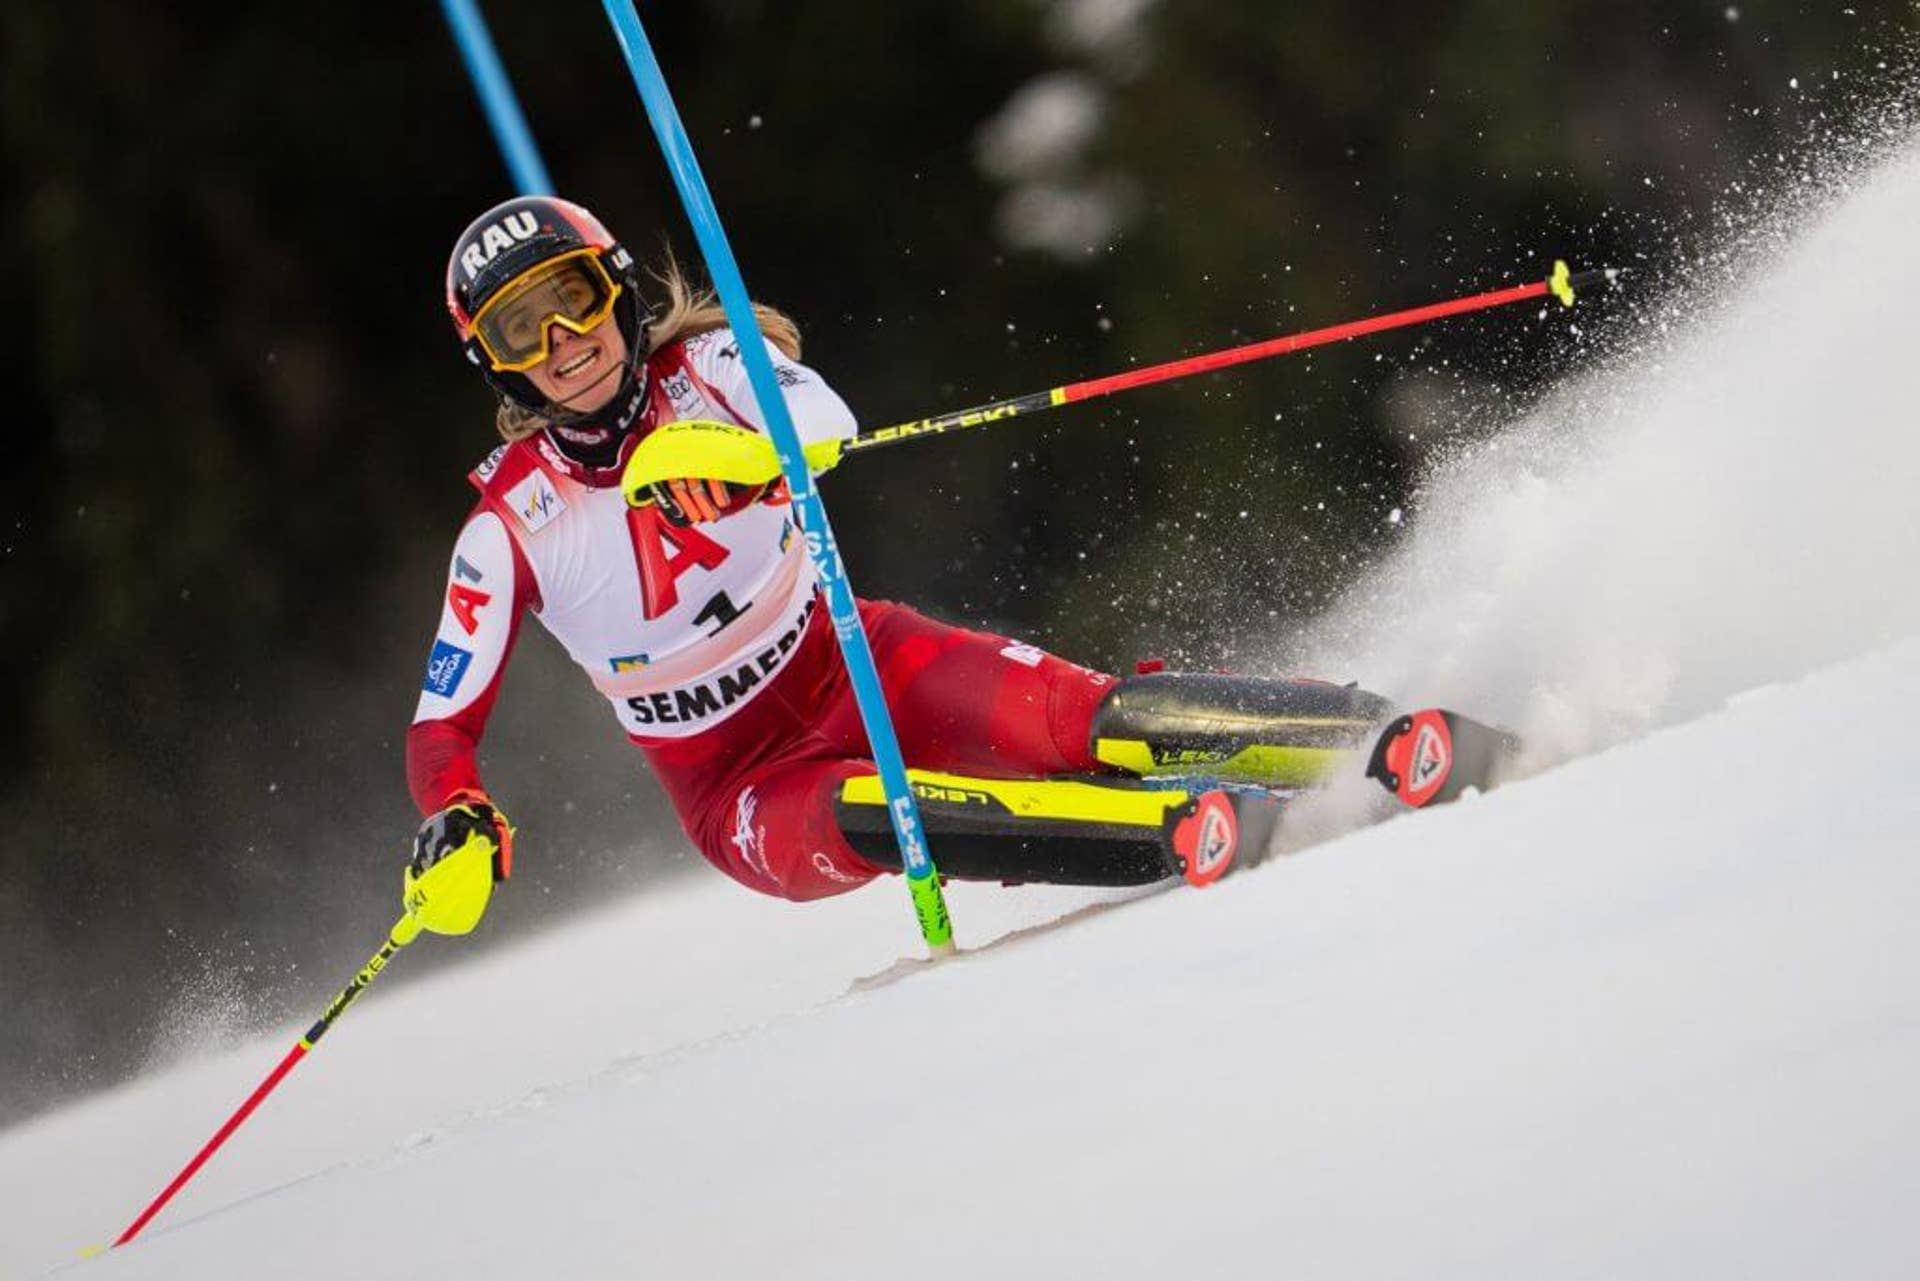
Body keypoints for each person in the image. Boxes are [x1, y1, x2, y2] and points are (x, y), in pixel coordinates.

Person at [399, 195, 1501, 936]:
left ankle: (1370, 735)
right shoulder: (510, 527)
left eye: (574, 301)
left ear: (617, 289)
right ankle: (1178, 829)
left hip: (858, 660)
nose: (563, 346)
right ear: (493, 363)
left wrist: (743, 464)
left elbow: (824, 421)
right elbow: (441, 730)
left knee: (1085, 720)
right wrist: (458, 817)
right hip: (744, 788)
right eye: (520, 332)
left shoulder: (712, 364)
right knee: (885, 809)